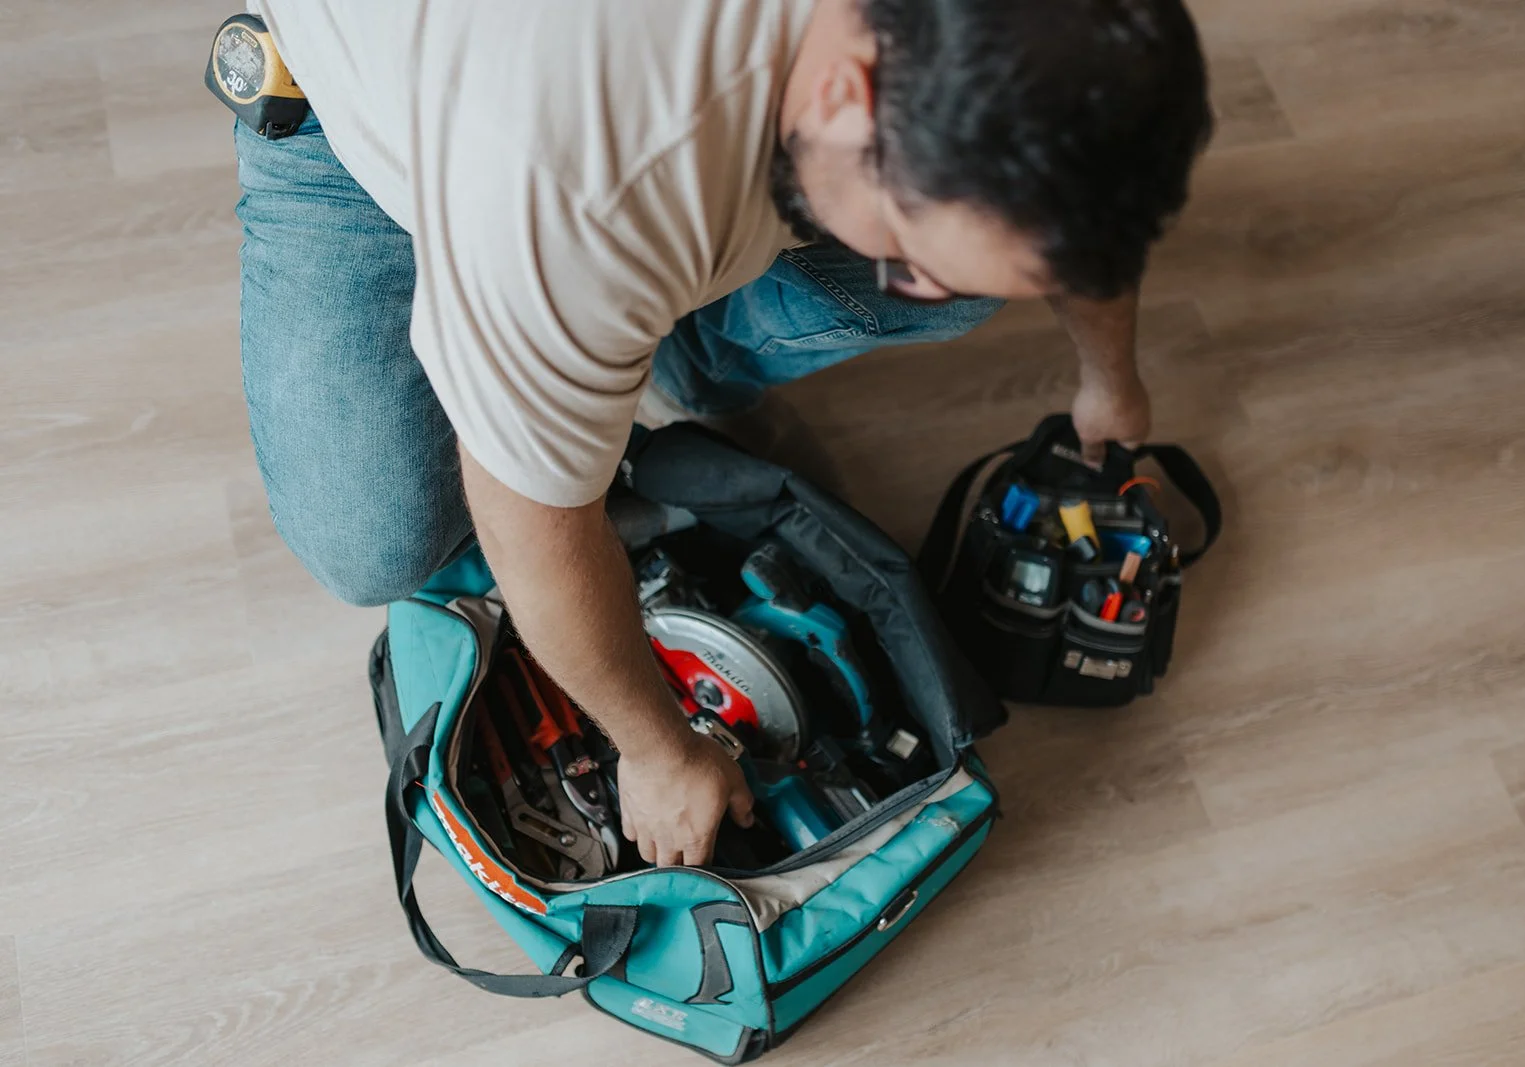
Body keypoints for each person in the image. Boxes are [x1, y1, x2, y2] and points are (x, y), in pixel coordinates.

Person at [234, 0, 1211, 869]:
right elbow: (529, 514)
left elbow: (1084, 160)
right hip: (360, 112)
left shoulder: (1016, 39)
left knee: (946, 292)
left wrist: (1109, 382)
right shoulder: (579, 175)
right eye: (911, 255)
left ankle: (636, 353)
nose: (910, 280)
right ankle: (585, 345)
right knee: (377, 540)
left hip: (604, 172)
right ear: (847, 89)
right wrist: (658, 753)